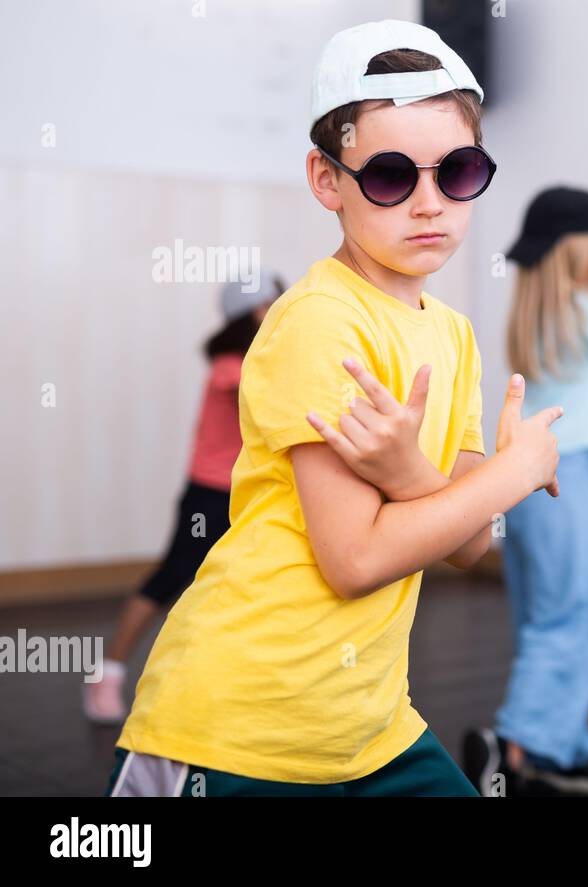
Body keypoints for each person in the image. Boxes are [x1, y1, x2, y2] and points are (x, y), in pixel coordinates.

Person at [106, 20, 561, 797]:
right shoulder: (320, 321)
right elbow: (355, 562)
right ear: (328, 180)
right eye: (390, 176)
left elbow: (470, 541)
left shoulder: (451, 335)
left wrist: (411, 470)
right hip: (238, 726)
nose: (428, 203)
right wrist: (516, 472)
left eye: (457, 171)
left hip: (370, 725)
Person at [462, 186, 588, 796]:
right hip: (569, 475)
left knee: (541, 616)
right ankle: (515, 746)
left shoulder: (534, 313)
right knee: (572, 618)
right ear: (584, 249)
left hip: (524, 474)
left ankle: (570, 746)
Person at [82, 278, 281, 725]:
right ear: (253, 312)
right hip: (210, 494)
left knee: (244, 588)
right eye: (272, 302)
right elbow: (258, 390)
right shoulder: (230, 366)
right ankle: (106, 674)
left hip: (253, 493)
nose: (279, 309)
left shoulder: (265, 358)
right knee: (172, 577)